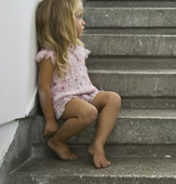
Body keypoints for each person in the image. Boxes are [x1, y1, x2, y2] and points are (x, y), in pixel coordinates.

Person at [35, 0, 121, 169]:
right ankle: (57, 140)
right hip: (65, 100)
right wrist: (50, 119)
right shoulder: (49, 55)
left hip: (86, 93)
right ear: (63, 23)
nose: (84, 22)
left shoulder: (77, 48)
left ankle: (97, 145)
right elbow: (44, 88)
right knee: (89, 113)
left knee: (114, 99)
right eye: (79, 17)